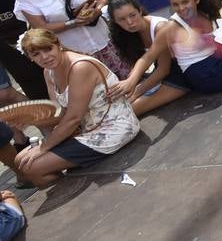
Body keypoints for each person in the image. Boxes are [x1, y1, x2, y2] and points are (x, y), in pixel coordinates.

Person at [12, 27, 140, 188]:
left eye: (47, 49)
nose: (44, 57)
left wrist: (44, 148)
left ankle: (69, 187)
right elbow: (60, 114)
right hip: (85, 129)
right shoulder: (48, 72)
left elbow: (73, 118)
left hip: (114, 128)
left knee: (31, 167)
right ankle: (67, 179)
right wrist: (29, 120)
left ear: (58, 44)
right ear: (29, 57)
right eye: (36, 54)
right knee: (20, 161)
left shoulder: (80, 67)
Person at [107, 0, 191, 115]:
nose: (129, 22)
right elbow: (136, 66)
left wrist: (135, 91)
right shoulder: (125, 35)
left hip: (183, 72)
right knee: (118, 106)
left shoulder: (159, 27)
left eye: (132, 15)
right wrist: (130, 86)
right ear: (115, 22)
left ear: (140, 10)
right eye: (122, 19)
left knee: (127, 111)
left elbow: (163, 69)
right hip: (165, 72)